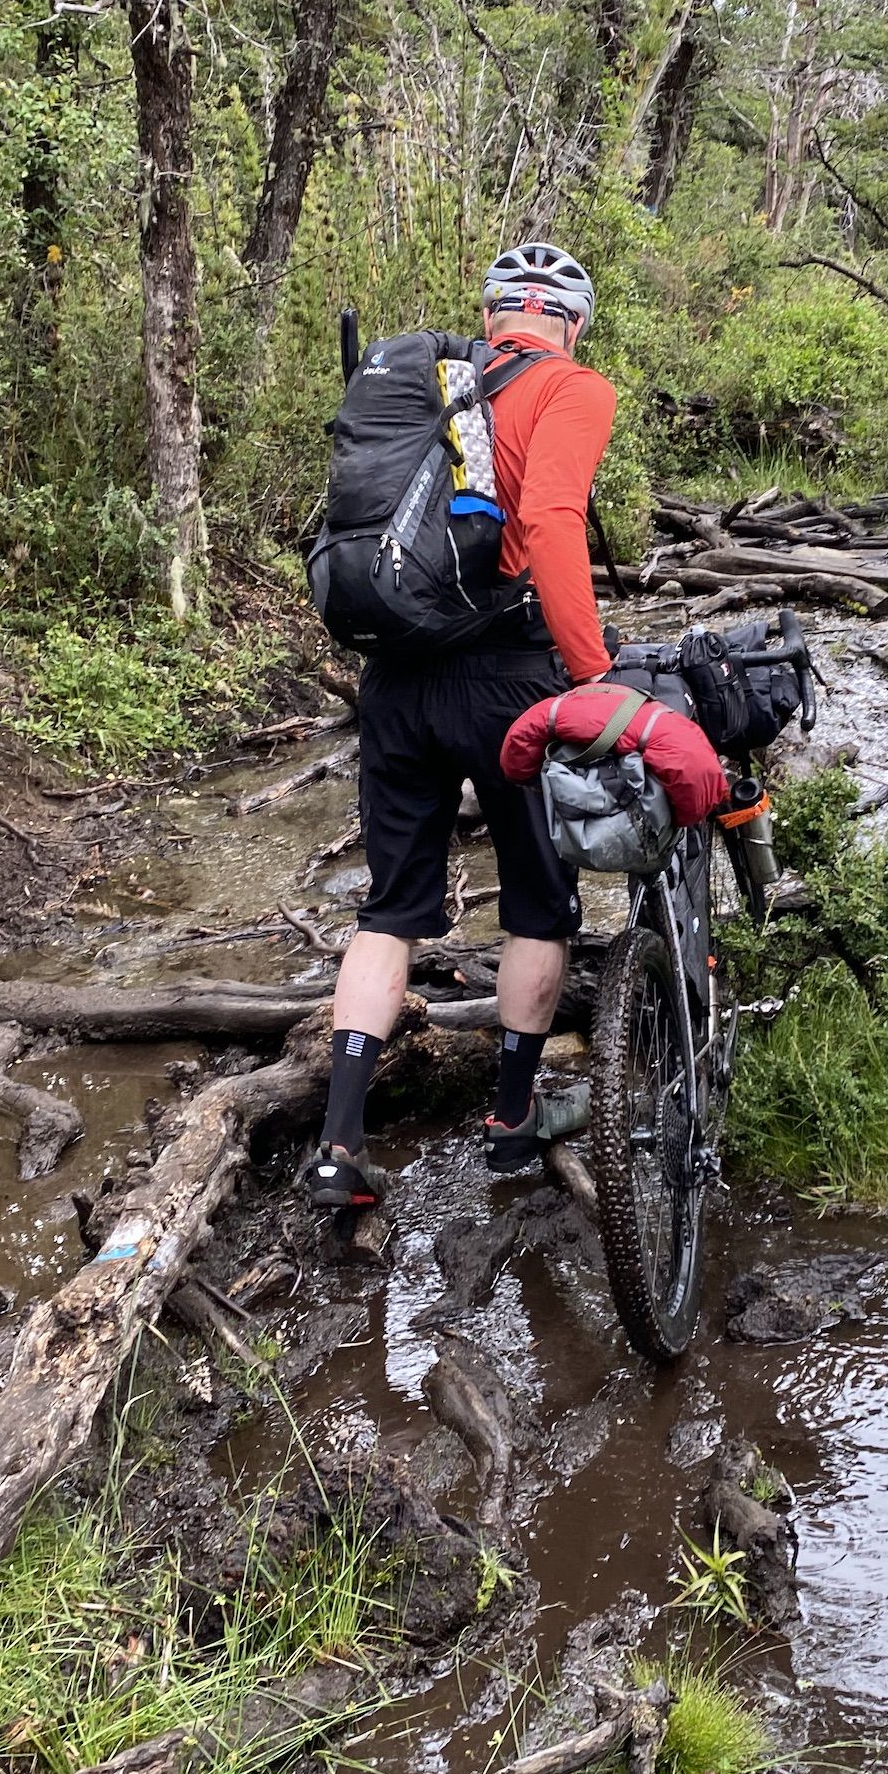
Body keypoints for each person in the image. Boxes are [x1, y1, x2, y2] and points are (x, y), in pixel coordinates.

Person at [307, 241, 616, 1232]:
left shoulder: (423, 388)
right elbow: (557, 523)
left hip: (394, 676)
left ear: (489, 319)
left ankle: (338, 1146)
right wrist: (595, 675)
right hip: (507, 680)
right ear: (567, 323)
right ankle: (511, 1117)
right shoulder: (570, 388)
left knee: (388, 911)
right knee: (538, 904)